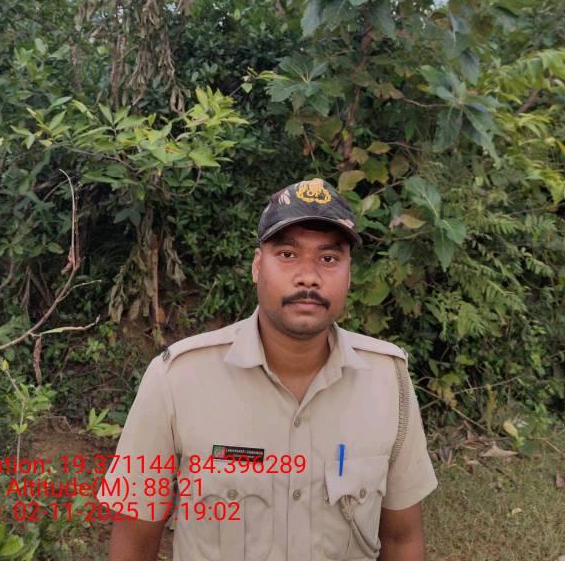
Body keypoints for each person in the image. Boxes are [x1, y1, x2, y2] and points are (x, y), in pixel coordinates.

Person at [99, 177, 437, 561]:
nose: (308, 276)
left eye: (328, 258)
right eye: (287, 254)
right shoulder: (177, 379)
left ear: (349, 274)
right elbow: (134, 538)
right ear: (258, 266)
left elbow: (402, 539)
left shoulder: (388, 380)